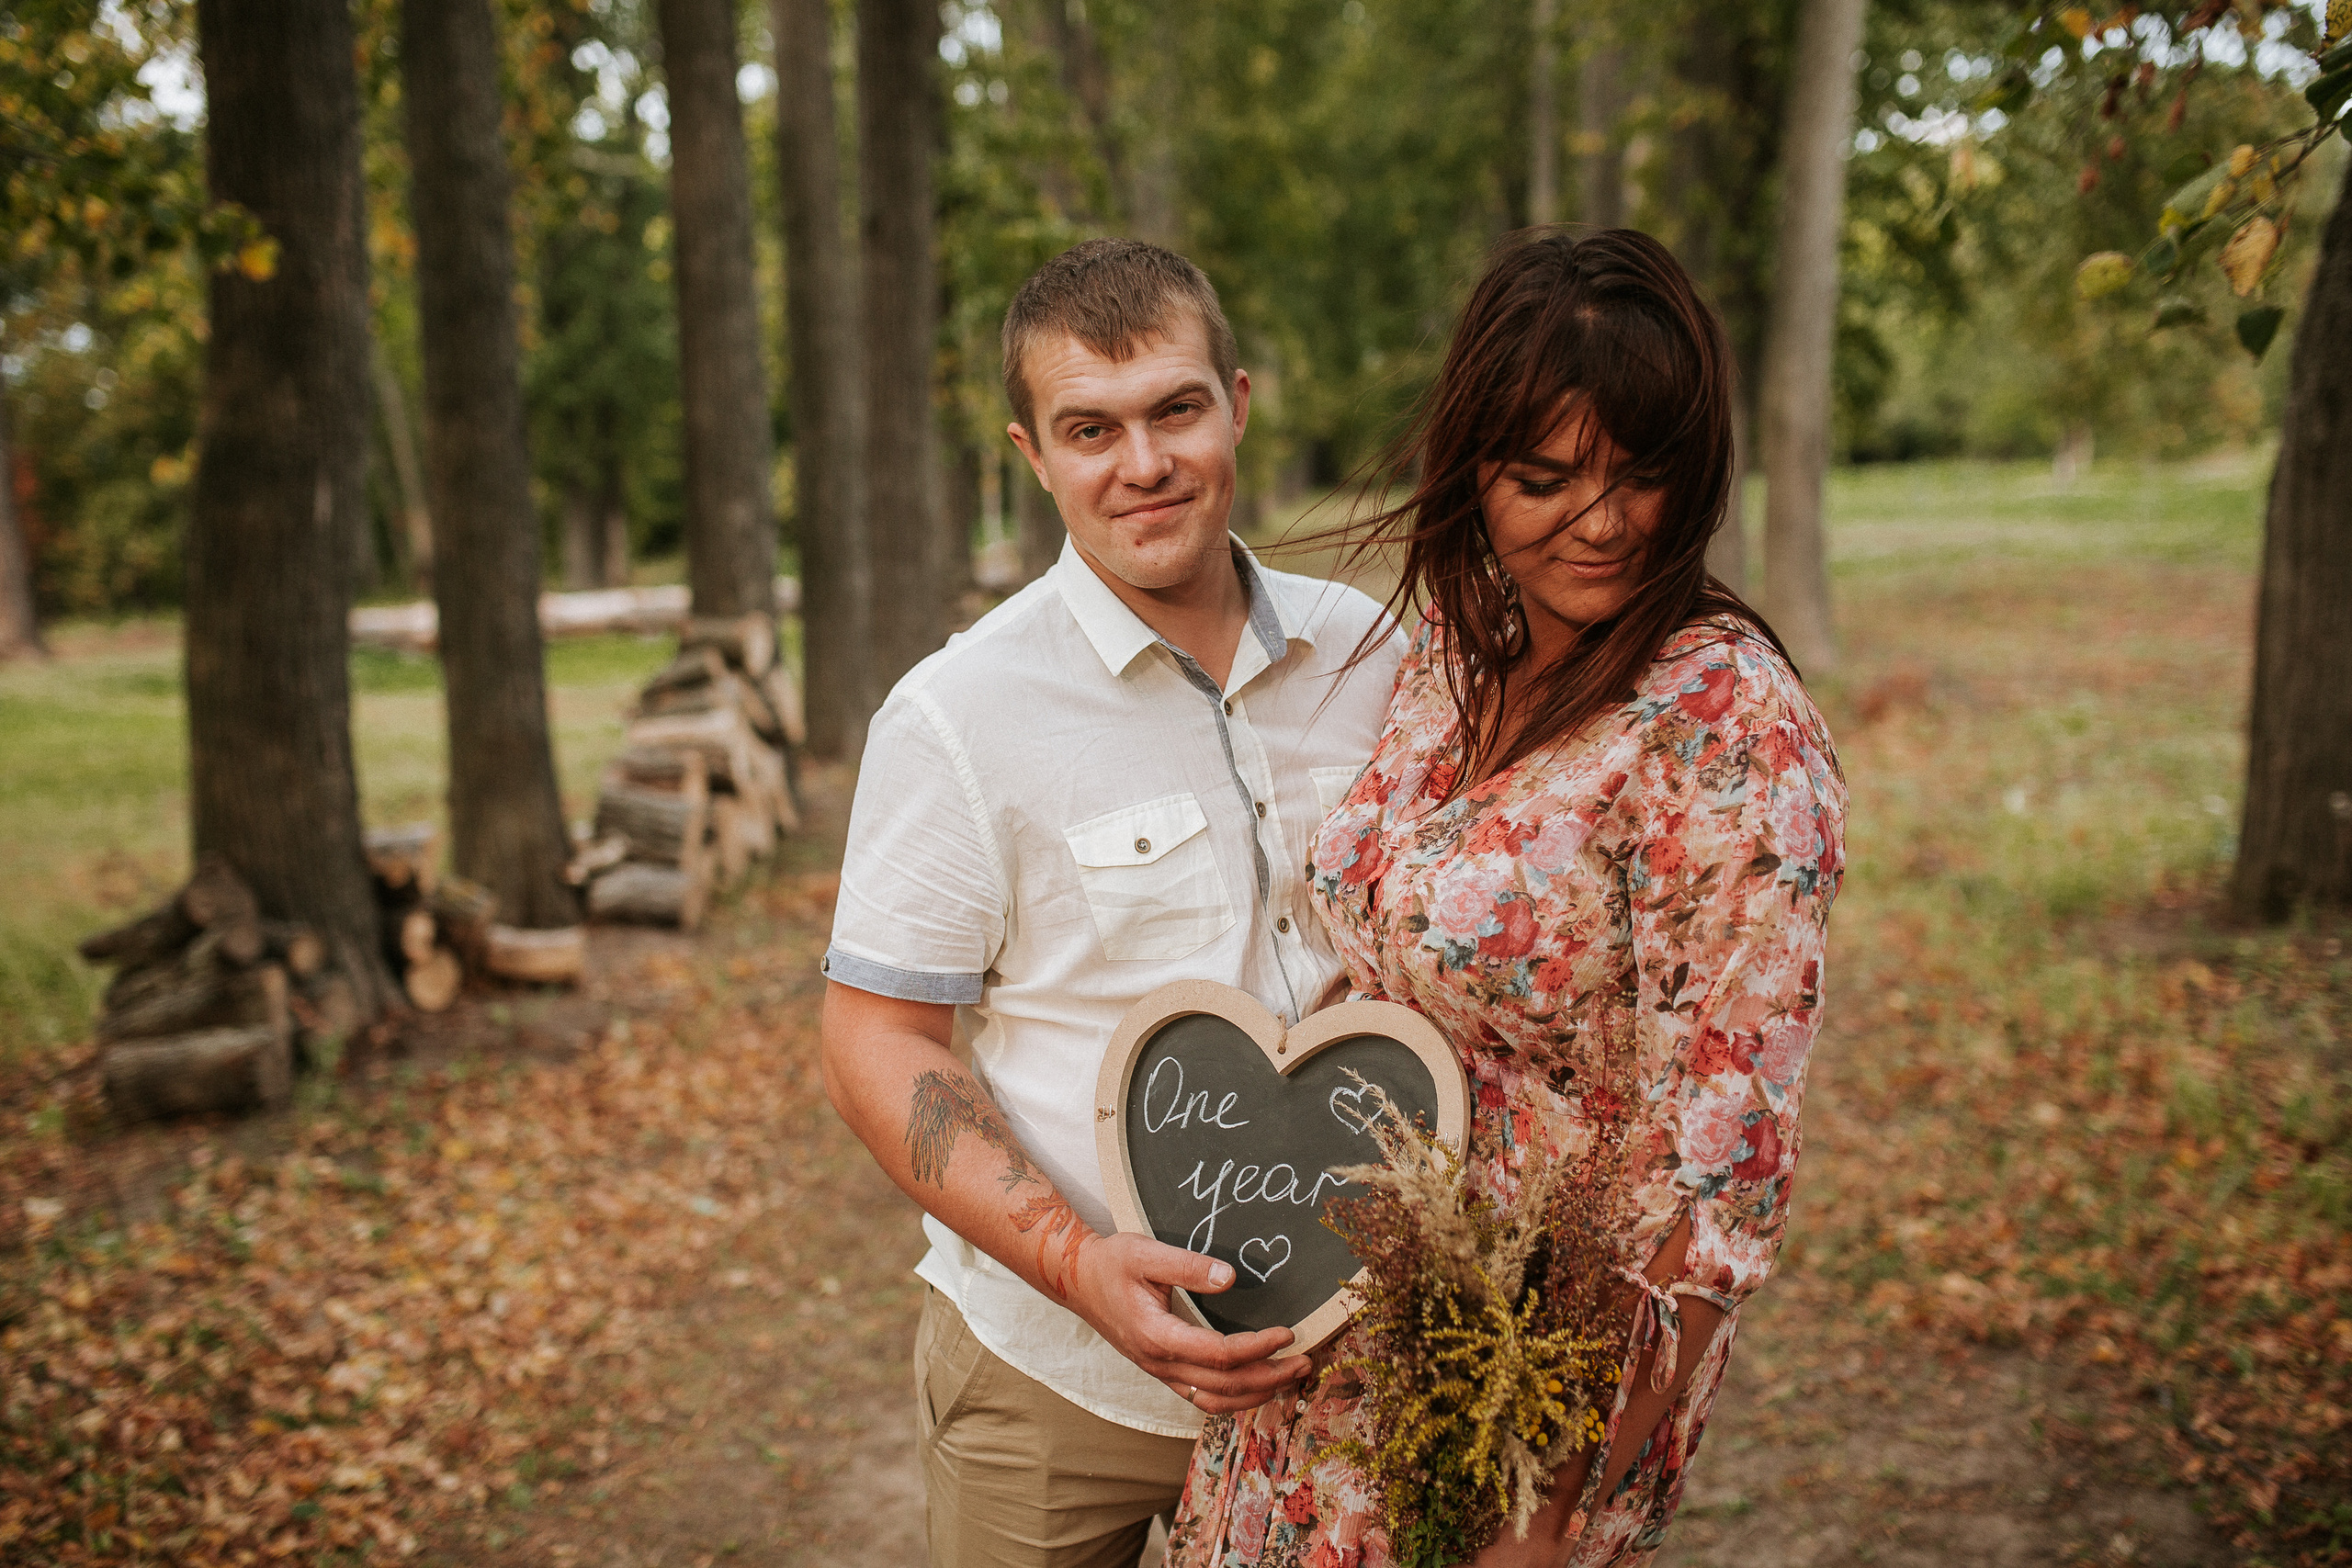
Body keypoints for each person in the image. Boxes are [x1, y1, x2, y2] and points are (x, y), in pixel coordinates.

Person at [1167, 229, 1847, 1567]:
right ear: (1473, 470)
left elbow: (1721, 1186)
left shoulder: (1726, 726)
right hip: (1333, 1339)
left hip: (1528, 1396)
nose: (1600, 524)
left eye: (1642, 477)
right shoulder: (1452, 659)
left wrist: (1546, 1503)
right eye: (1544, 478)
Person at [820, 238, 1407, 1568]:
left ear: (1237, 405)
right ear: (1032, 455)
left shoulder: (1376, 657)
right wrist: (1078, 1268)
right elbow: (875, 1043)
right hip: (1055, 1389)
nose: (1140, 466)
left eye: (1174, 412)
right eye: (1091, 429)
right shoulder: (957, 715)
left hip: (1351, 1380)